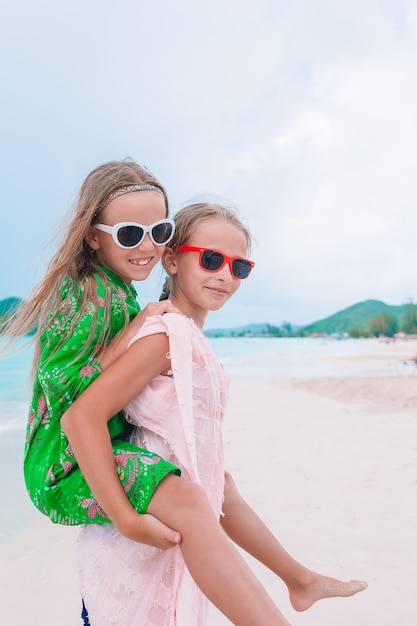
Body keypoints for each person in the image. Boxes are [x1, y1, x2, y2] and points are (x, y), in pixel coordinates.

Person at [62, 202, 367, 625]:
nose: (225, 274)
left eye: (239, 266)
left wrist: (293, 573)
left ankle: (300, 581)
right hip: (137, 546)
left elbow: (215, 482)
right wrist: (127, 519)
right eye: (210, 259)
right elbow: (82, 417)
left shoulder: (184, 337)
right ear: (171, 259)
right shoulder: (166, 336)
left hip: (172, 534)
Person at [1, 159, 182, 546]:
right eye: (131, 234)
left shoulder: (116, 290)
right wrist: (136, 332)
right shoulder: (93, 292)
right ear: (92, 236)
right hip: (61, 470)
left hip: (86, 454)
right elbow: (62, 388)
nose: (149, 246)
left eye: (160, 231)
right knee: (186, 498)